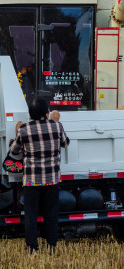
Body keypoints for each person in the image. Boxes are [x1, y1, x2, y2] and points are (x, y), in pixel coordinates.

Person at [9, 98, 70, 254]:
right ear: (46, 112)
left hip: (31, 181)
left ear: (30, 114)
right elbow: (65, 143)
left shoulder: (24, 129)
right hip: (52, 179)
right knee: (51, 214)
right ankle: (51, 247)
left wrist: (17, 133)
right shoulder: (57, 126)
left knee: (31, 216)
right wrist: (55, 121)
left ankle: (33, 249)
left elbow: (14, 151)